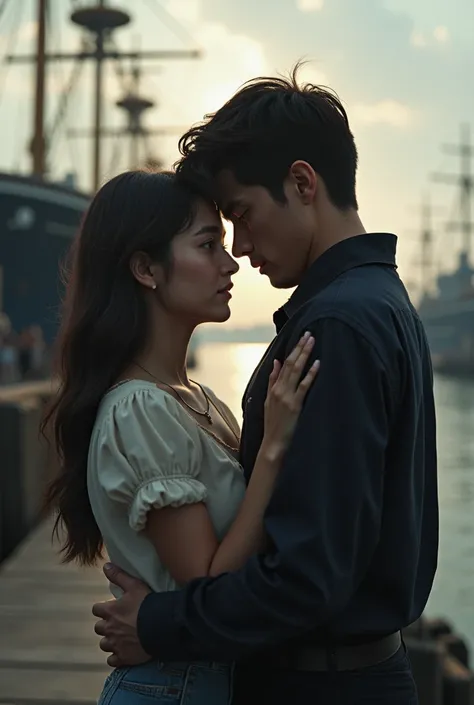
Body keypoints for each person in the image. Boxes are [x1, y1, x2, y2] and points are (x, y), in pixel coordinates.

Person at [92, 66, 439, 704]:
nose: (242, 249)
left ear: (302, 182)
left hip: (322, 684)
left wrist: (158, 624)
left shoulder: (337, 324)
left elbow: (307, 574)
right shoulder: (376, 304)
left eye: (243, 217)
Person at [42, 168, 320, 705]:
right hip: (170, 688)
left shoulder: (194, 399)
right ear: (146, 269)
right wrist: (273, 449)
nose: (230, 261)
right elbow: (207, 588)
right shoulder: (139, 409)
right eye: (208, 244)